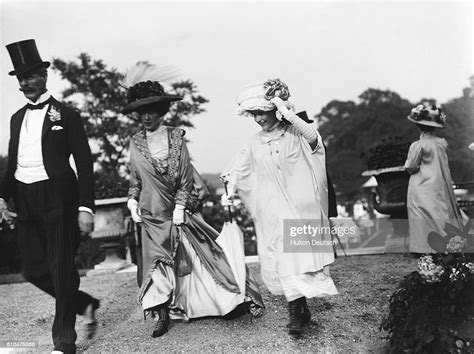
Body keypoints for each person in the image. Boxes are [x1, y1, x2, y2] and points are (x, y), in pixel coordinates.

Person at [123, 64, 264, 338]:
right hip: (151, 215)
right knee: (158, 264)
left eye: (152, 110)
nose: (147, 116)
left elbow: (186, 178)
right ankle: (161, 313)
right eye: (142, 111)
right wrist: (132, 201)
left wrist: (179, 206)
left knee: (200, 257)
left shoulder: (176, 137)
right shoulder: (135, 142)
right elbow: (135, 179)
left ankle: (225, 303)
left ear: (161, 111)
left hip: (177, 211)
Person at [0, 39, 99, 354]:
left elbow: (84, 163)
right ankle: (84, 303)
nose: (25, 82)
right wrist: (2, 198)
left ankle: (64, 342)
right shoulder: (16, 118)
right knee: (32, 269)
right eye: (20, 77)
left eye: (30, 75)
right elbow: (13, 163)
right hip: (25, 199)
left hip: (59, 199)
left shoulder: (66, 114)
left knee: (60, 268)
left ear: (44, 75)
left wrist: (85, 207)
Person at [221, 79, 338, 335]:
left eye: (261, 112)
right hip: (273, 212)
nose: (258, 119)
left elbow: (314, 139)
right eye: (254, 114)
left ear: (274, 109)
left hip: (301, 210)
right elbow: (238, 169)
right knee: (285, 261)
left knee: (298, 260)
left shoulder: (296, 134)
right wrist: (229, 189)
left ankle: (299, 309)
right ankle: (296, 311)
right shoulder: (254, 142)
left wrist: (287, 114)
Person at [404, 104, 468, 254]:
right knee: (441, 212)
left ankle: (424, 247)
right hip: (440, 183)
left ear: (418, 126)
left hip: (421, 184)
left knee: (421, 214)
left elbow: (411, 166)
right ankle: (450, 242)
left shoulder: (418, 145)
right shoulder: (441, 143)